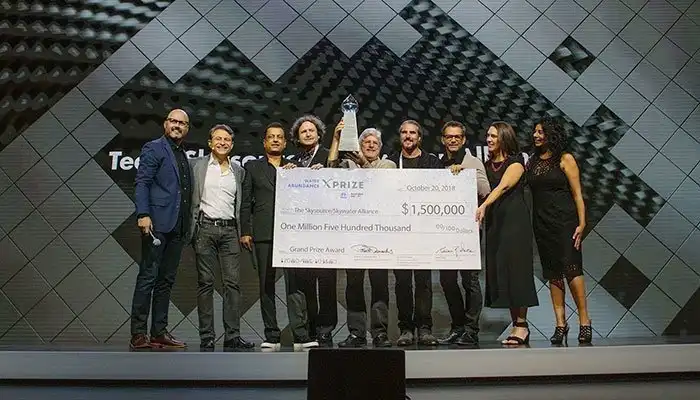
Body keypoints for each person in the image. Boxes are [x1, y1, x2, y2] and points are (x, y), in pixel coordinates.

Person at [240, 122, 318, 349]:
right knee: (266, 285)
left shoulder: (294, 167)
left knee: (295, 285)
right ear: (264, 142)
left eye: (279, 137)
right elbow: (246, 201)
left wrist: (306, 175)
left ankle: (300, 336)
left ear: (285, 143)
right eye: (271, 137)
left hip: (290, 234)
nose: (275, 140)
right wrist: (245, 230)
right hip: (263, 233)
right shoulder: (253, 167)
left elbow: (305, 199)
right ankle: (271, 336)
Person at [327, 122, 395, 348]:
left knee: (379, 284)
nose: (371, 145)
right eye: (367, 142)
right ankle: (357, 334)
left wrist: (363, 163)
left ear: (380, 147)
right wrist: (336, 139)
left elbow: (381, 183)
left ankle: (380, 333)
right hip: (353, 234)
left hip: (379, 235)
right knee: (354, 285)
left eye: (375, 143)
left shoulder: (388, 165)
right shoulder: (348, 165)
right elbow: (330, 168)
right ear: (359, 145)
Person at [130, 109, 192, 350]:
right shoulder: (154, 148)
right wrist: (143, 214)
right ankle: (138, 333)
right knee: (148, 277)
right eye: (173, 121)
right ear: (165, 124)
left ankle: (158, 331)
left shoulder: (183, 154)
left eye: (182, 123)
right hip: (156, 223)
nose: (177, 125)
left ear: (187, 128)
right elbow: (142, 182)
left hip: (178, 226)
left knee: (166, 281)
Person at [527, 117, 592, 344]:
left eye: (541, 132)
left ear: (551, 134)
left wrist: (582, 224)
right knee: (553, 273)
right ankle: (560, 324)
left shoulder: (565, 159)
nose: (536, 135)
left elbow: (577, 194)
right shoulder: (532, 161)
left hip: (565, 222)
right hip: (541, 223)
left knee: (572, 269)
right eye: (535, 132)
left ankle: (584, 321)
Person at [189, 124, 254, 350]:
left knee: (232, 284)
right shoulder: (196, 166)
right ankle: (207, 336)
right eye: (218, 139)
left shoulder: (238, 171)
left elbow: (242, 204)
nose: (222, 143)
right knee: (205, 283)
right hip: (204, 229)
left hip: (230, 231)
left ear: (232, 145)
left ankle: (232, 336)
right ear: (210, 143)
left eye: (227, 140)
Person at [475, 121, 538, 345]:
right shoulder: (486, 165)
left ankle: (522, 325)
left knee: (517, 273)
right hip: (496, 225)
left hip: (515, 225)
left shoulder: (516, 162)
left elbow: (502, 187)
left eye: (493, 136)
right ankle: (516, 325)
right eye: (488, 136)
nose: (489, 139)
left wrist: (484, 206)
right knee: (504, 274)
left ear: (504, 138)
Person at [387, 120, 442, 346]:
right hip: (399, 232)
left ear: (419, 137)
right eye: (404, 132)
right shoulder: (390, 162)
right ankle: (406, 329)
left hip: (423, 231)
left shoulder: (432, 162)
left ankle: (425, 328)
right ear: (399, 136)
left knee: (423, 281)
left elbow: (443, 192)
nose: (408, 136)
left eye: (412, 133)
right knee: (402, 282)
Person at [437, 121, 490, 347]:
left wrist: (465, 175)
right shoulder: (439, 163)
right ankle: (458, 327)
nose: (453, 140)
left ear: (464, 140)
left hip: (468, 232)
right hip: (444, 231)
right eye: (449, 136)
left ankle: (471, 330)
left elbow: (486, 191)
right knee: (447, 280)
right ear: (443, 139)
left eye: (457, 137)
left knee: (470, 280)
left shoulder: (473, 162)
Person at [289, 115, 336, 346]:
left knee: (326, 283)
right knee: (306, 283)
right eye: (303, 131)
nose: (308, 134)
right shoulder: (293, 162)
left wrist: (326, 171)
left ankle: (325, 329)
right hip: (301, 231)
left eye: (311, 130)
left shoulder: (329, 156)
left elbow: (339, 179)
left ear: (319, 134)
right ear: (297, 137)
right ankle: (310, 329)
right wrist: (288, 173)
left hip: (326, 230)